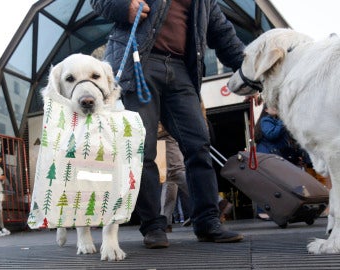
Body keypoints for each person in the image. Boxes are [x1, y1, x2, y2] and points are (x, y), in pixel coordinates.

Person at [91, 0, 245, 248]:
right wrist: (123, 7)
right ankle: (153, 226)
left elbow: (224, 35)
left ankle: (207, 222)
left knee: (199, 145)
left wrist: (253, 71)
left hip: (181, 68)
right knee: (143, 150)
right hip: (139, 61)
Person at [158, 123, 190, 233]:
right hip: (166, 133)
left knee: (175, 171)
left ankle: (211, 202)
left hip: (163, 133)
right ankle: (165, 221)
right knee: (170, 178)